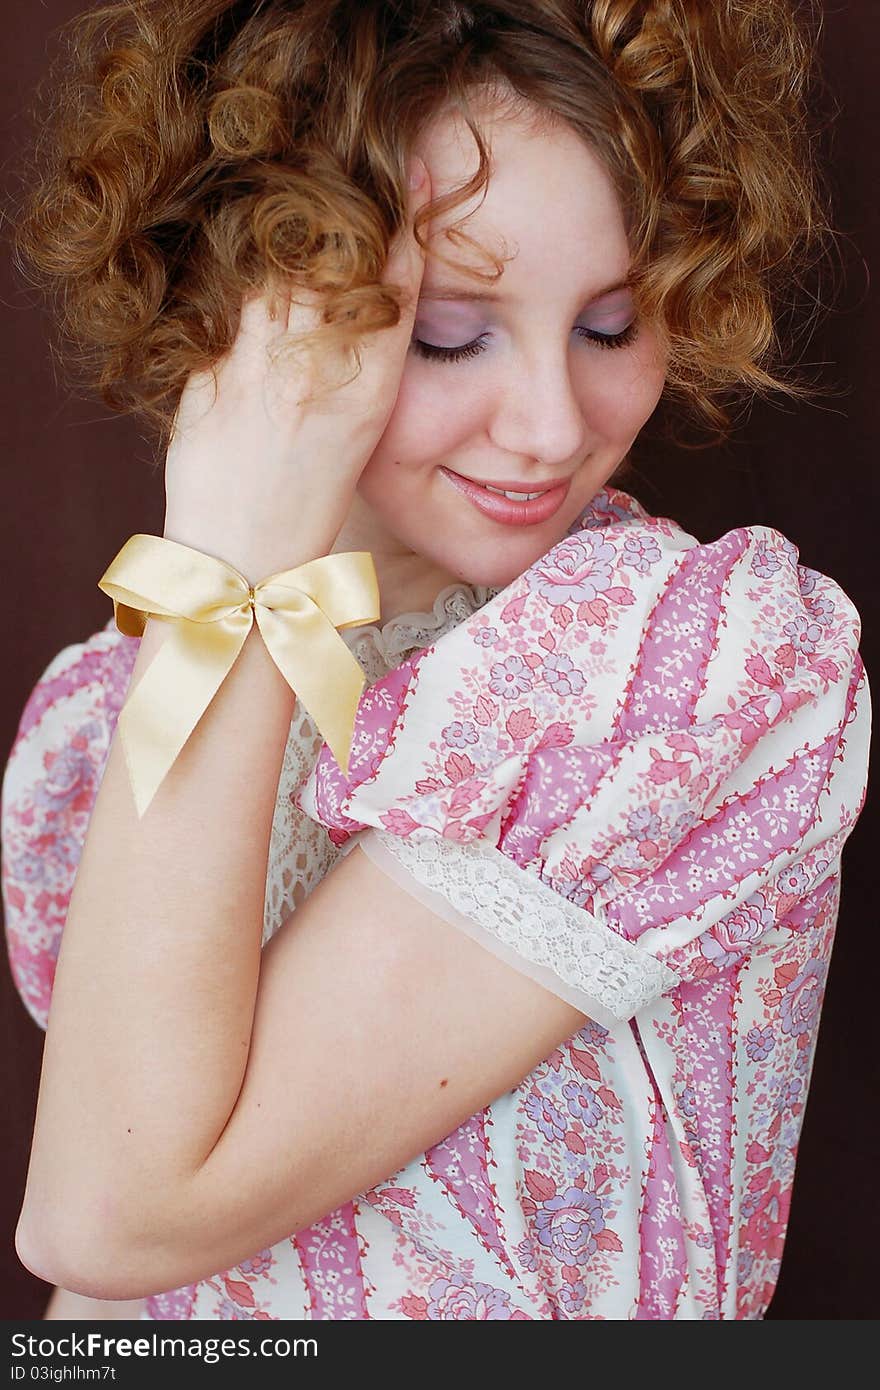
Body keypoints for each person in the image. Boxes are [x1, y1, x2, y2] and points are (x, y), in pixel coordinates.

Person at [1, 0, 870, 1321]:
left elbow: (108, 1213)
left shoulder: (691, 671)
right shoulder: (106, 714)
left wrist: (230, 568)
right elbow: (111, 1323)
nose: (550, 425)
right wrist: (231, 561)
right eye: (453, 333)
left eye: (611, 322)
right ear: (265, 315)